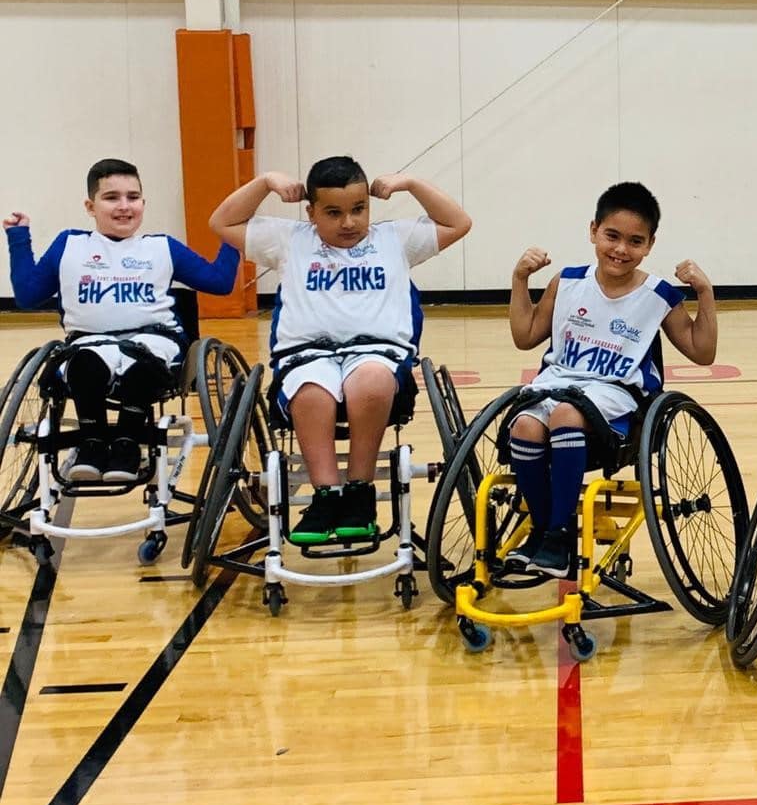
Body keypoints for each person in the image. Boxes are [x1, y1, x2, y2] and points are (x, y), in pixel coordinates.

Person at [210, 158, 471, 543]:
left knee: (370, 380)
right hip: (307, 354)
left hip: (379, 352)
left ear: (369, 206)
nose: (348, 222)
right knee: (311, 389)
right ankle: (325, 495)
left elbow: (458, 223)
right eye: (333, 213)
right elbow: (221, 223)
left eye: (358, 209)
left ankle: (359, 491)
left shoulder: (394, 240)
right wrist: (266, 181)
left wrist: (411, 183)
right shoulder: (291, 240)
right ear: (311, 212)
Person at [502, 182, 718, 578]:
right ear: (593, 231)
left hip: (615, 395)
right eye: (612, 236)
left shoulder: (659, 295)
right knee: (526, 424)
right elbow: (524, 336)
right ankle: (542, 529)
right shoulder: (565, 282)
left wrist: (705, 292)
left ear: (650, 244)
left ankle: (560, 533)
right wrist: (519, 280)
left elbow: (702, 352)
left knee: (567, 414)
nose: (621, 250)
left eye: (635, 241)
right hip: (558, 382)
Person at [5, 158, 239, 483]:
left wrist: (233, 237)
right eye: (112, 197)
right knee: (85, 363)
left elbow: (220, 282)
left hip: (153, 342)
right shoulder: (69, 245)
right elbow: (28, 295)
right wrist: (19, 238)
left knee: (143, 367)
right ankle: (92, 443)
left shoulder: (162, 248)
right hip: (89, 342)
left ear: (144, 202)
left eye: (133, 197)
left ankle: (128, 445)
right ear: (91, 205)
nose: (124, 206)